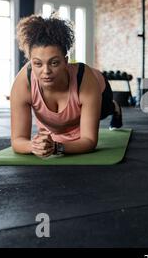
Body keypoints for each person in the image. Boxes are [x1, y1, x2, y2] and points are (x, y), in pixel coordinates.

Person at [10, 14, 123, 158]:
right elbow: (17, 140)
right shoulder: (23, 84)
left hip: (99, 89)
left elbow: (89, 140)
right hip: (65, 116)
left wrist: (57, 147)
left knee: (103, 111)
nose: (46, 71)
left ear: (65, 61)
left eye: (54, 63)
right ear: (31, 62)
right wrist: (33, 146)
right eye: (38, 63)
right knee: (58, 128)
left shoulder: (85, 79)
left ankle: (114, 107)